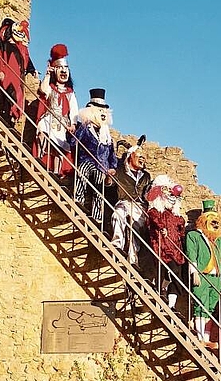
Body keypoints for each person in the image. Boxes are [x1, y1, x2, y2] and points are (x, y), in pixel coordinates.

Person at [69, 88, 117, 224]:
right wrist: (74, 132)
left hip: (101, 166)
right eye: (99, 110)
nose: (102, 114)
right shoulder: (86, 128)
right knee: (83, 170)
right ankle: (78, 200)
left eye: (104, 111)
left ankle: (97, 215)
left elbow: (112, 154)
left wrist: (112, 167)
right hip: (87, 160)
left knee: (99, 187)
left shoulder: (106, 135)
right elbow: (74, 142)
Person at [185, 199, 221, 349]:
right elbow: (191, 254)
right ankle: (200, 336)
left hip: (216, 278)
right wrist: (194, 272)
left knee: (211, 307)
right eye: (212, 221)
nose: (215, 224)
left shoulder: (219, 241)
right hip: (202, 275)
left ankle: (207, 338)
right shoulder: (193, 236)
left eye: (217, 222)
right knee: (200, 304)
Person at [34, 44, 79, 181]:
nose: (64, 71)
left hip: (62, 122)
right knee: (43, 130)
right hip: (49, 117)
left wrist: (73, 123)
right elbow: (43, 89)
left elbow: (74, 109)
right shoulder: (51, 88)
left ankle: (56, 171)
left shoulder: (70, 93)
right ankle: (40, 157)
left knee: (59, 148)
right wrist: (47, 74)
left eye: (66, 68)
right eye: (60, 69)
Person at [145, 175, 186, 311]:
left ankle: (171, 304)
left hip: (175, 249)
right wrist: (162, 227)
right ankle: (160, 294)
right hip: (161, 247)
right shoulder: (155, 211)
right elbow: (154, 218)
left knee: (176, 275)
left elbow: (181, 229)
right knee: (162, 272)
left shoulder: (175, 215)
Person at [110, 137, 151, 267]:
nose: (142, 159)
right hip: (125, 201)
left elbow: (147, 193)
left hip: (140, 206)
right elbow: (109, 185)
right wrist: (108, 178)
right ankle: (117, 244)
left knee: (135, 228)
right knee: (118, 214)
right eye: (139, 156)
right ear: (130, 157)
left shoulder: (146, 176)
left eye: (143, 157)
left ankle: (133, 259)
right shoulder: (120, 172)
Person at [0, 19, 36, 126]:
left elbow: (27, 61)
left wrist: (32, 70)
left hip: (17, 78)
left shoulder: (22, 49)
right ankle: (3, 120)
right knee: (5, 98)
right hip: (7, 76)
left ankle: (10, 122)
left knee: (15, 99)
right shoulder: (4, 46)